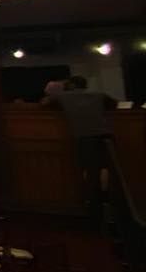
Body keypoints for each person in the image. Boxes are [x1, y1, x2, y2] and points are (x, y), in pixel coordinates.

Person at [44, 75, 117, 223]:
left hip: (85, 137)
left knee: (90, 173)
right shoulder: (98, 94)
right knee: (110, 171)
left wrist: (61, 86)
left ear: (71, 85)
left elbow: (44, 103)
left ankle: (95, 212)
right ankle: (113, 207)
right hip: (106, 136)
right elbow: (114, 104)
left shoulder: (64, 97)